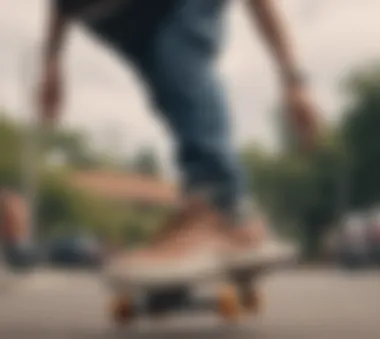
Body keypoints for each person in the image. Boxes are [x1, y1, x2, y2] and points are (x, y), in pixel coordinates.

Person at [38, 0, 319, 269]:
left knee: (179, 59)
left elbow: (261, 4)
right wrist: (52, 60)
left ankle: (222, 206)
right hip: (124, 23)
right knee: (172, 94)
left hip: (166, 10)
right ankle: (210, 213)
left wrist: (293, 79)